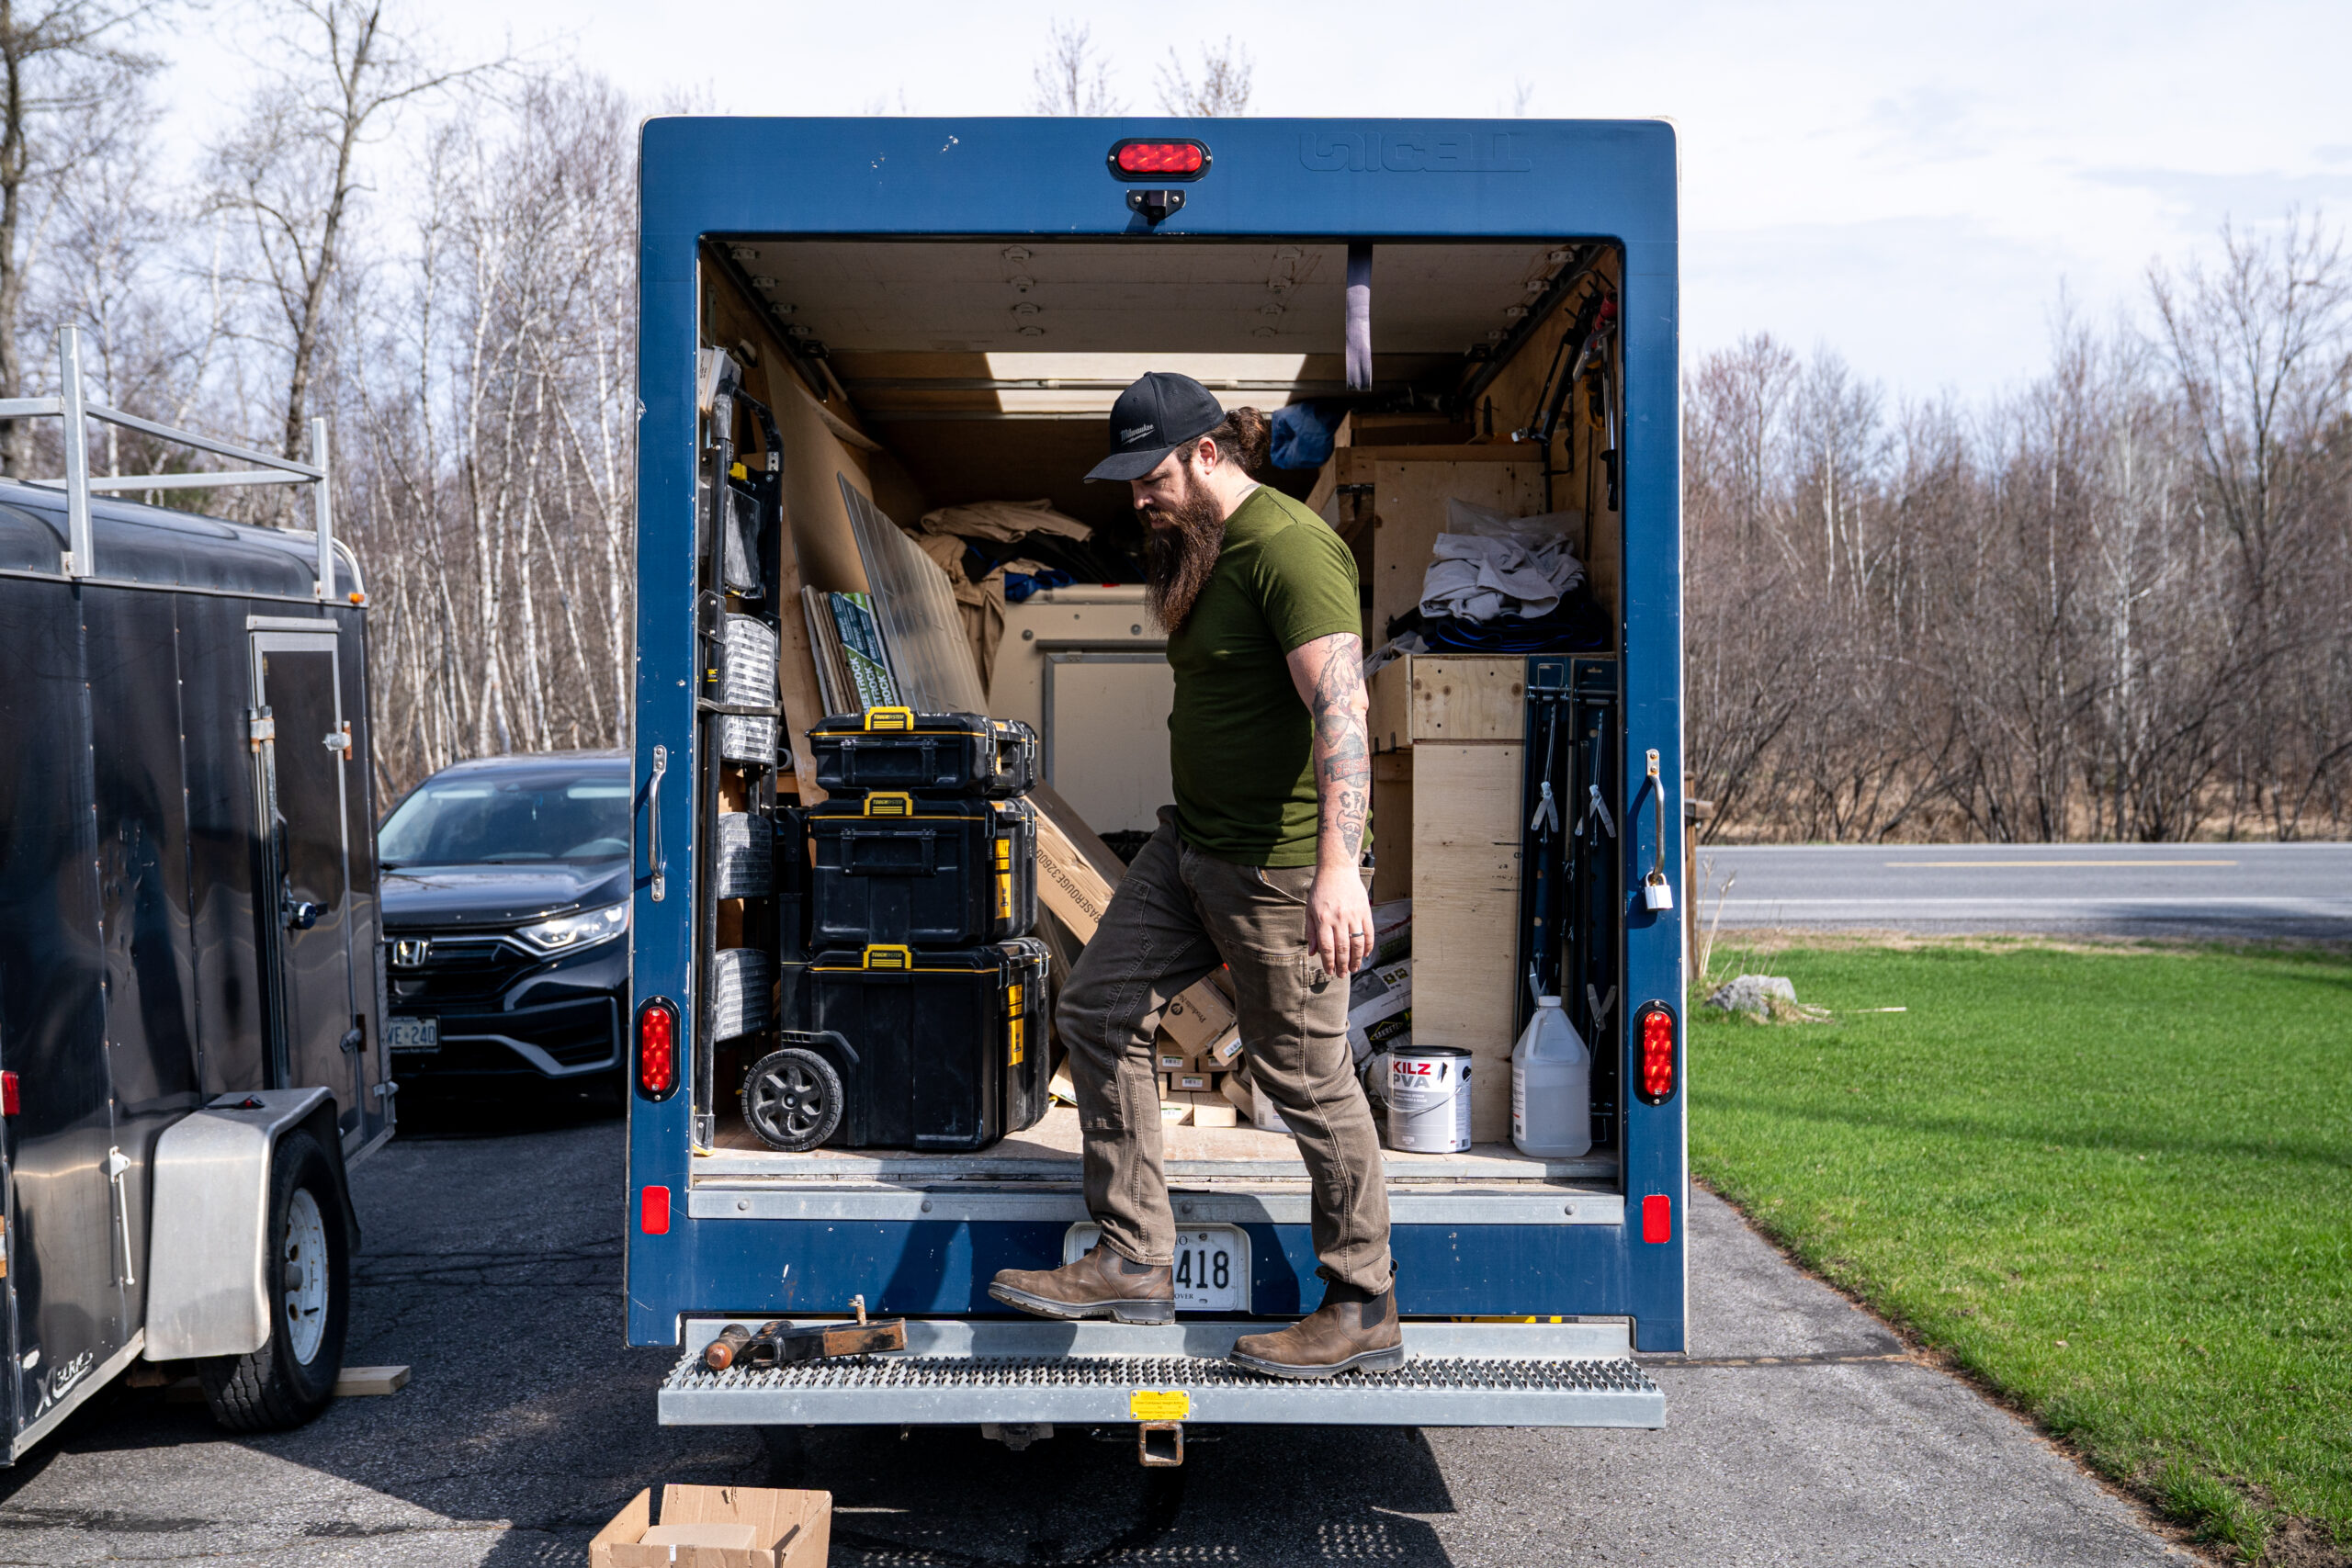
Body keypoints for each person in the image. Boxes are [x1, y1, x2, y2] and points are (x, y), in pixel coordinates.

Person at [989, 373, 1399, 1379]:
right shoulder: (1199, 550)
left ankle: (1362, 1302)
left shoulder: (1292, 552)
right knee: (1096, 1006)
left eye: (1150, 475)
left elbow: (1342, 715)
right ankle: (1133, 1254)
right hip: (1191, 847)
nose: (1136, 496)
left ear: (1208, 454)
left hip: (1279, 867)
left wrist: (1339, 871)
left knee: (1304, 1080)